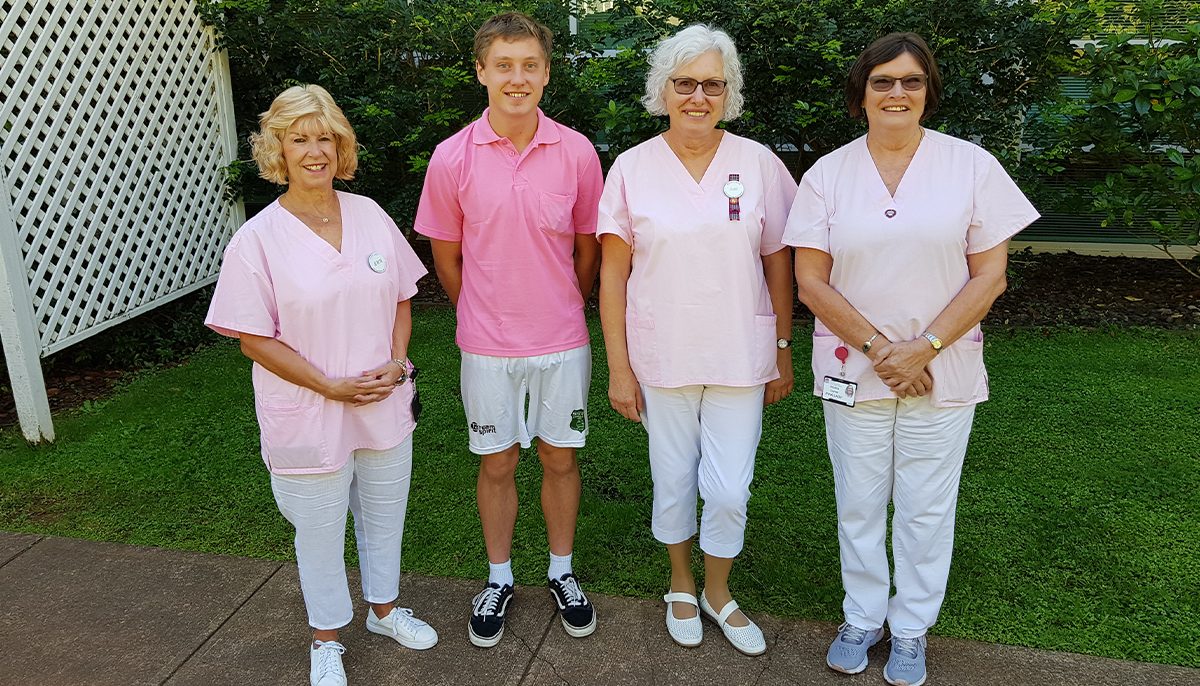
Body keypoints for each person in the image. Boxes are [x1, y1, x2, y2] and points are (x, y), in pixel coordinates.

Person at [783, 32, 1039, 686]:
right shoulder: (827, 176)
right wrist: (879, 350)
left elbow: (990, 276)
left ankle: (912, 626)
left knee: (927, 504)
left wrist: (921, 348)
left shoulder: (972, 167)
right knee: (859, 501)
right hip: (852, 365)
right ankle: (863, 616)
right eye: (883, 82)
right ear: (860, 93)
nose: (897, 93)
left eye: (911, 82)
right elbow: (810, 280)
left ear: (928, 92)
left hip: (942, 367)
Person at [205, 85, 437, 686]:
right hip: (307, 411)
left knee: (385, 518)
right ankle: (326, 636)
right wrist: (329, 386)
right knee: (319, 530)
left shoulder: (369, 215)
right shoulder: (257, 239)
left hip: (382, 406)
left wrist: (396, 360)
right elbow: (253, 338)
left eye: (325, 138)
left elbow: (403, 299)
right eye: (300, 138)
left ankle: (385, 611)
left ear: (342, 146)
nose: (315, 151)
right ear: (277, 148)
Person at [596, 24, 797, 657]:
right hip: (663, 353)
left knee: (730, 486)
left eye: (713, 85)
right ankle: (680, 584)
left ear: (729, 93)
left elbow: (779, 264)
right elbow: (613, 274)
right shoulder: (631, 168)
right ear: (664, 89)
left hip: (742, 353)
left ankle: (719, 590)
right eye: (685, 83)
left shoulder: (760, 163)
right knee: (673, 478)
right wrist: (619, 368)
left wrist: (784, 351)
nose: (698, 97)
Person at [413, 12, 603, 648]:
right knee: (497, 463)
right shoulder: (451, 157)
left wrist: (561, 307)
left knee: (559, 457)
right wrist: (482, 313)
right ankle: (498, 578)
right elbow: (445, 257)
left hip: (562, 343)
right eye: (503, 65)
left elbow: (587, 251)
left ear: (546, 74)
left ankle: (561, 571)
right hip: (487, 346)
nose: (516, 78)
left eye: (528, 66)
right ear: (482, 72)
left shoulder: (576, 151)